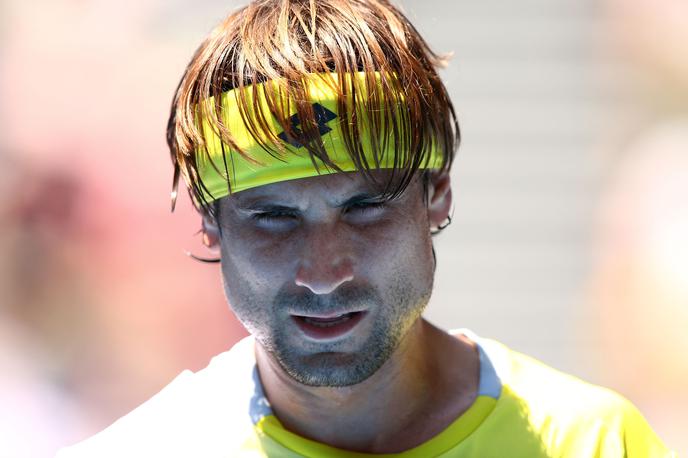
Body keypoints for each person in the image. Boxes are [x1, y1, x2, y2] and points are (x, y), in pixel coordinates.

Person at [57, 0, 675, 456]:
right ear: (211, 227)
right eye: (273, 218)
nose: (324, 273)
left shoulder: (594, 443)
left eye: (364, 207)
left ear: (437, 196)